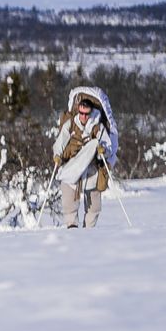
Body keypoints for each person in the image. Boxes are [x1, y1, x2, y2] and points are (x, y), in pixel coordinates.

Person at [52, 87, 118, 228]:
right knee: (69, 195)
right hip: (73, 165)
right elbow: (60, 141)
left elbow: (108, 147)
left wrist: (103, 150)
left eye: (86, 114)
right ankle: (71, 226)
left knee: (94, 205)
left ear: (90, 112)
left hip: (91, 168)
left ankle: (90, 230)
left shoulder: (97, 126)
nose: (83, 116)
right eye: (81, 113)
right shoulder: (70, 124)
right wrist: (57, 155)